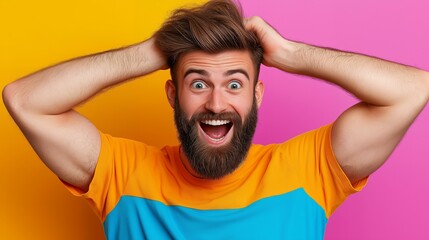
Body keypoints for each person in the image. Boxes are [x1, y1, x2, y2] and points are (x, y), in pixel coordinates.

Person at [2, 0, 428, 239]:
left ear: (257, 96)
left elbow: (413, 89)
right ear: (173, 95)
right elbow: (24, 100)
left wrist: (293, 55)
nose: (217, 103)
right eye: (199, 83)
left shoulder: (308, 171)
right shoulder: (122, 173)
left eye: (236, 84)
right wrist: (148, 53)